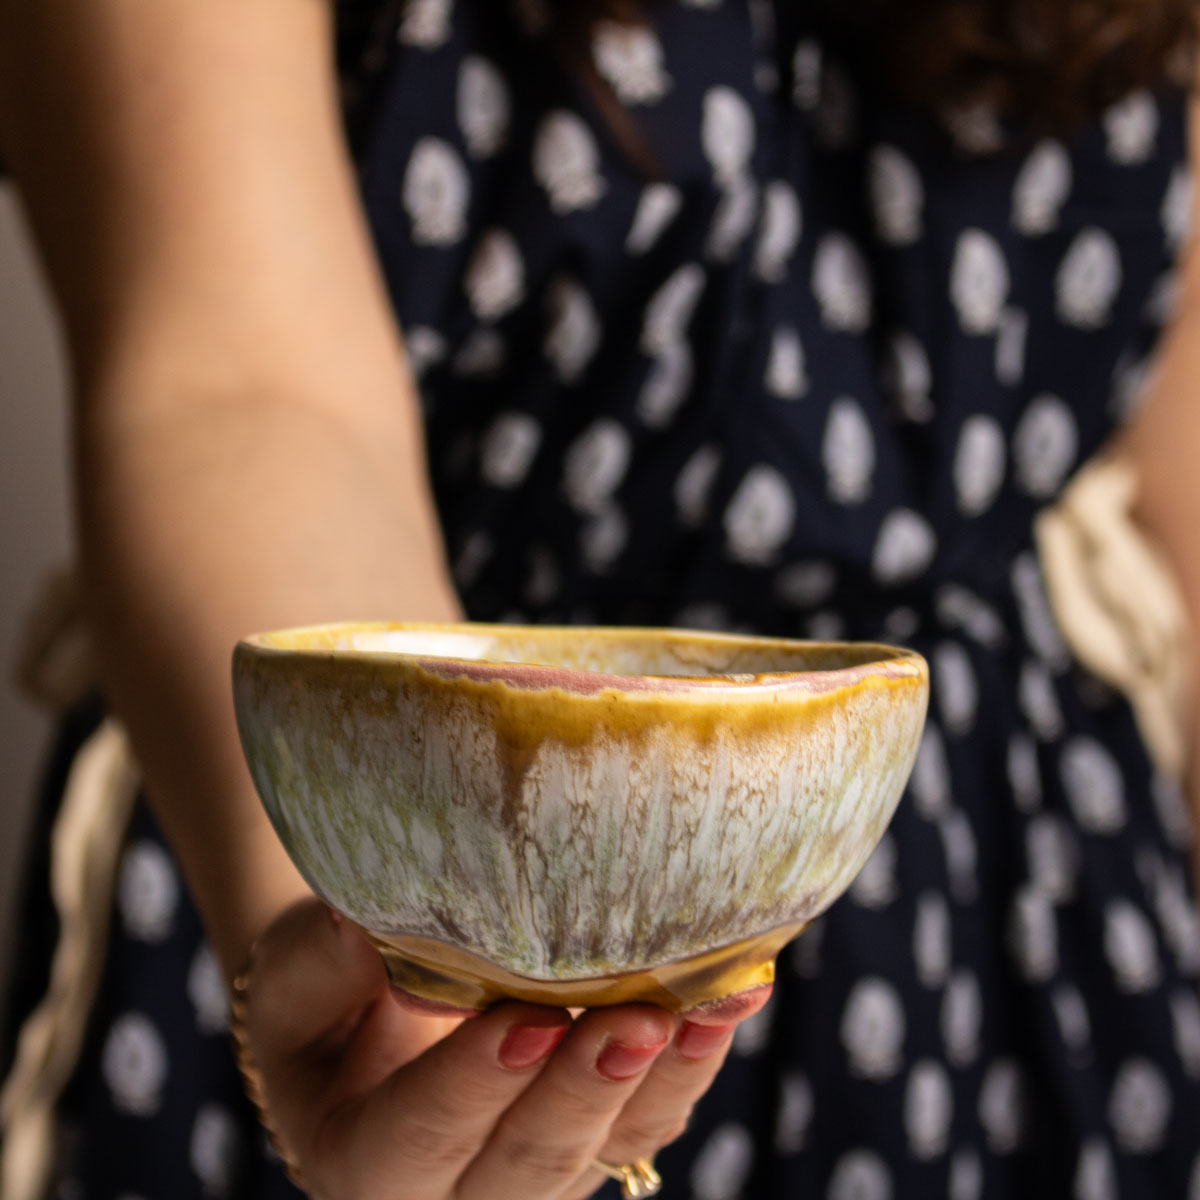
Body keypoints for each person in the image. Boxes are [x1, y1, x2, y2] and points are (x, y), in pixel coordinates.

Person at [2, 0, 1200, 1196]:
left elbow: (1176, 446)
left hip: (1006, 902)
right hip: (386, 841)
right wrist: (418, 953)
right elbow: (242, 383)